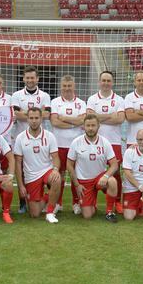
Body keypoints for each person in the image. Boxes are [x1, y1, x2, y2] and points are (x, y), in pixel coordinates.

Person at [11, 65, 51, 212]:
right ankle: (22, 202)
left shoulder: (45, 96)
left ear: (37, 79)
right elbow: (16, 114)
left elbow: (47, 115)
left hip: (40, 139)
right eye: (27, 77)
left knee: (41, 168)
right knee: (21, 170)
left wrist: (25, 113)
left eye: (32, 77)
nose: (30, 80)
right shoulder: (16, 95)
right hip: (21, 138)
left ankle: (43, 197)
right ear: (23, 79)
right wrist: (36, 113)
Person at [67, 114, 120, 223]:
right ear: (84, 126)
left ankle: (109, 212)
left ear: (98, 126)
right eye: (88, 125)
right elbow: (69, 165)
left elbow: (114, 164)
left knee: (112, 181)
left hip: (100, 179)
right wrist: (77, 185)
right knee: (87, 215)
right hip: (84, 182)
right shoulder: (76, 142)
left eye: (93, 125)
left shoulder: (105, 142)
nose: (90, 128)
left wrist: (106, 176)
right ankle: (92, 204)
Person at [86, 70, 126, 213]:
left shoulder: (120, 100)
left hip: (114, 142)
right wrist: (110, 116)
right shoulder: (92, 99)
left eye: (109, 81)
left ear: (112, 82)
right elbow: (90, 119)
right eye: (103, 80)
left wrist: (98, 117)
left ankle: (117, 202)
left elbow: (120, 119)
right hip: (95, 142)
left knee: (115, 173)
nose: (106, 83)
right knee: (93, 171)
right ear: (99, 82)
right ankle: (92, 201)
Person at [13, 107, 62, 224]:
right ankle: (48, 196)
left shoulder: (49, 136)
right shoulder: (20, 138)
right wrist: (21, 185)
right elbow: (18, 163)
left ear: (41, 119)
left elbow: (56, 158)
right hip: (31, 176)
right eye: (31, 118)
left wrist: (55, 169)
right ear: (27, 119)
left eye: (36, 118)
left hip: (46, 171)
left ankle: (50, 212)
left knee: (57, 178)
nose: (34, 121)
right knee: (34, 213)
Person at [50, 75, 86, 214]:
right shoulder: (55, 102)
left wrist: (64, 118)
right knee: (59, 175)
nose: (67, 89)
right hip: (58, 145)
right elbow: (54, 122)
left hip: (76, 145)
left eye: (69, 86)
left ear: (74, 86)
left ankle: (76, 203)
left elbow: (82, 121)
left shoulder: (82, 103)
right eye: (64, 86)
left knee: (75, 175)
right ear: (61, 87)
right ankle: (57, 203)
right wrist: (74, 122)